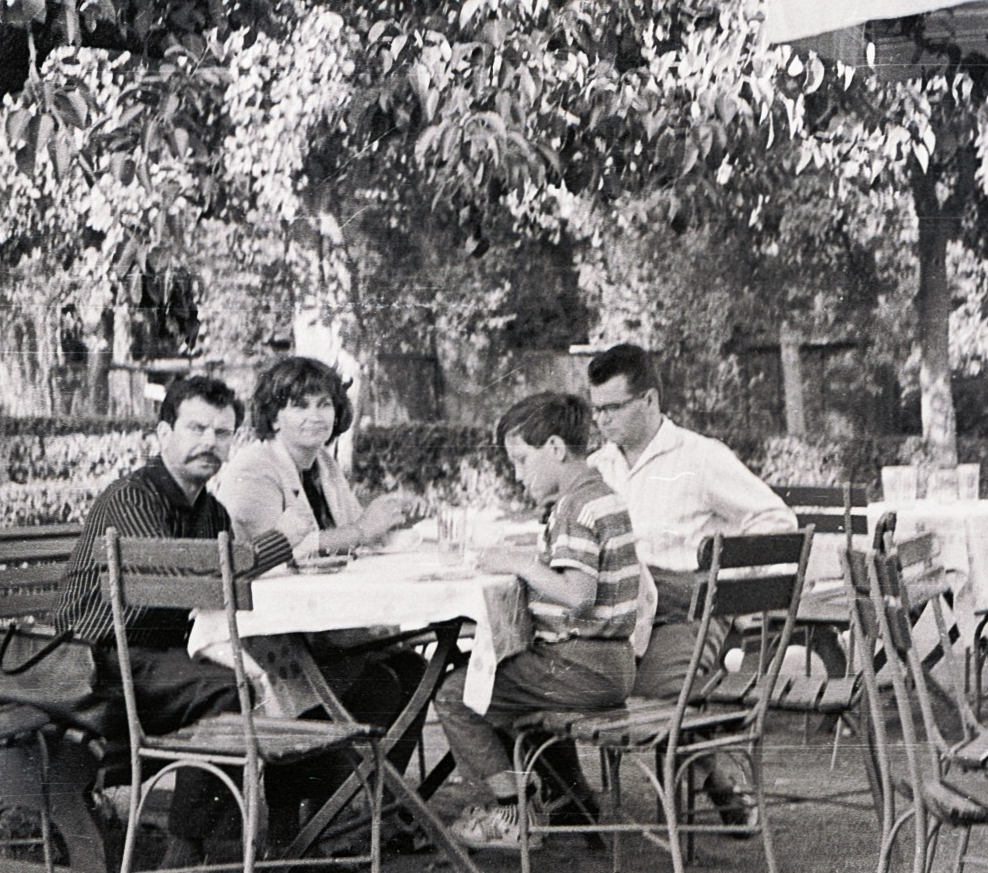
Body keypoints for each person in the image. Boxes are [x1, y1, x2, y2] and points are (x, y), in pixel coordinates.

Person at [52, 374, 319, 869]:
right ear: (162, 434)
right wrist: (280, 540)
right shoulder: (133, 498)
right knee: (228, 687)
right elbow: (183, 580)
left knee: (292, 670)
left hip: (160, 657)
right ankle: (187, 854)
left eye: (222, 434)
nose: (208, 444)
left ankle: (288, 830)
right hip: (96, 661)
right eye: (196, 429)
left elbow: (220, 586)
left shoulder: (210, 510)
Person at [211, 356, 427, 849]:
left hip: (321, 626)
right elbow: (282, 552)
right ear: (272, 415)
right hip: (266, 638)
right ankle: (298, 825)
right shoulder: (253, 469)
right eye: (298, 406)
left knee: (411, 672)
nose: (315, 415)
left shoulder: (323, 464)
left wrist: (388, 523)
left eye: (324, 403)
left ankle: (380, 813)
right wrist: (364, 529)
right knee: (373, 686)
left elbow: (348, 540)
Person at [585, 343, 796, 823]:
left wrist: (723, 582)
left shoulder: (700, 457)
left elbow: (775, 520)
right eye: (597, 410)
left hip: (688, 607)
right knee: (575, 680)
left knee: (661, 693)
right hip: (619, 609)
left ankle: (717, 780)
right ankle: (567, 802)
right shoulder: (599, 468)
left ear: (651, 401)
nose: (603, 421)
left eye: (613, 408)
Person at [437, 393, 640, 851]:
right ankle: (569, 795)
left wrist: (520, 563)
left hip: (580, 665)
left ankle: (514, 811)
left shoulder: (575, 509)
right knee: (502, 679)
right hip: (608, 664)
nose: (517, 473)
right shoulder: (600, 497)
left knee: (457, 694)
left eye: (521, 460)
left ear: (554, 448)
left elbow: (577, 595)